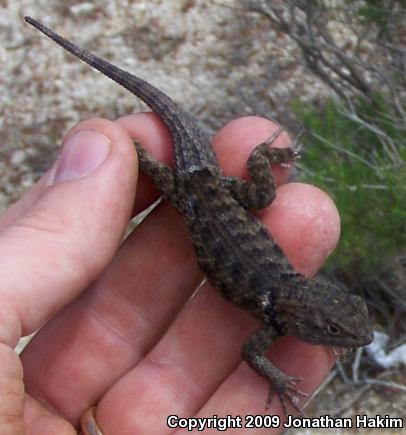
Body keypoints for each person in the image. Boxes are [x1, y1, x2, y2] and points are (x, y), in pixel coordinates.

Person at [0, 114, 339, 434]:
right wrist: (279, 379)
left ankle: (260, 154)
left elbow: (257, 351)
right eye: (332, 330)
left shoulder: (286, 303)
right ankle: (138, 153)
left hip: (207, 192)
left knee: (262, 197)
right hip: (195, 197)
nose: (336, 336)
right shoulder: (275, 323)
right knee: (152, 166)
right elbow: (251, 353)